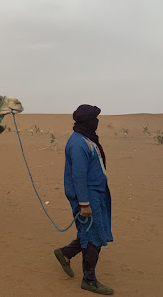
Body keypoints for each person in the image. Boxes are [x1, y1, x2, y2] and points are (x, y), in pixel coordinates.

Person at [54, 104, 113, 295]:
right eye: (94, 119)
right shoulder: (78, 144)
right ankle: (89, 280)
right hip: (87, 196)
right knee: (93, 236)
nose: (97, 122)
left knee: (91, 231)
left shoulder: (86, 139)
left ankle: (65, 253)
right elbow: (79, 176)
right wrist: (84, 204)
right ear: (87, 121)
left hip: (96, 194)